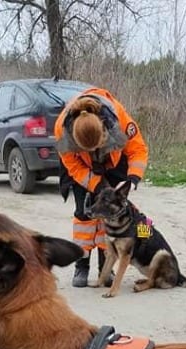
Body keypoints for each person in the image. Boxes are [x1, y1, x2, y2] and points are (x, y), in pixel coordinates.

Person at [53, 86, 148, 287]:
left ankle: (105, 268)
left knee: (112, 215)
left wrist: (132, 178)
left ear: (104, 129)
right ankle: (81, 266)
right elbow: (72, 165)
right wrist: (96, 185)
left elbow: (138, 149)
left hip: (114, 164)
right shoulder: (62, 130)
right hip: (81, 169)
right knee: (83, 215)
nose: (94, 151)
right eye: (88, 149)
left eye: (96, 147)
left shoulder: (118, 119)